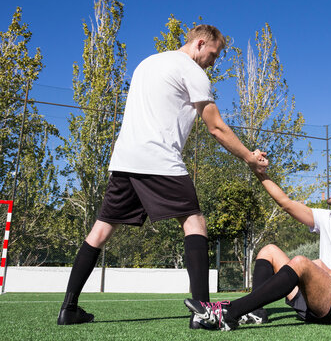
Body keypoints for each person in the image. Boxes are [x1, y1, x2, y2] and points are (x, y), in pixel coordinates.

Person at [57, 25, 268, 328]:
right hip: (158, 159)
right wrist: (249, 157)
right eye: (213, 54)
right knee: (195, 222)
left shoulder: (147, 63)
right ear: (199, 43)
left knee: (101, 231)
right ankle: (204, 312)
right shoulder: (192, 71)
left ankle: (68, 308)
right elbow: (216, 127)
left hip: (124, 159)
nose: (213, 61)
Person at [185, 164, 331, 331]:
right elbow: (286, 203)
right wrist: (259, 172)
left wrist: (330, 273)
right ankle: (256, 312)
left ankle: (229, 312)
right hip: (315, 300)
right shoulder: (328, 219)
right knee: (269, 251)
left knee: (301, 262)